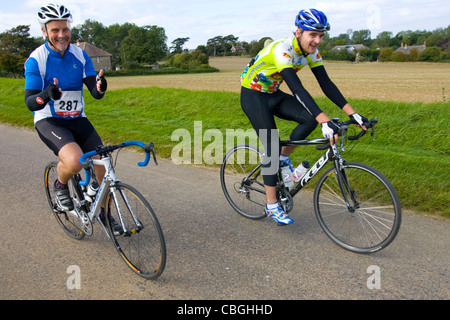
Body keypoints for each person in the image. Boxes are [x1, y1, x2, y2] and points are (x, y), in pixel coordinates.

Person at [240, 9, 368, 225]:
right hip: (253, 96)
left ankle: (283, 158)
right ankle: (272, 205)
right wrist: (324, 119)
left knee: (308, 118)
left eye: (321, 36)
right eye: (313, 35)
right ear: (298, 32)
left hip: (273, 93)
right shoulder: (282, 49)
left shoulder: (312, 52)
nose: (317, 41)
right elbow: (297, 88)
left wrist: (353, 114)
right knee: (271, 145)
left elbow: (326, 84)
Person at [24, 3, 121, 232]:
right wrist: (46, 95)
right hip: (50, 120)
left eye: (65, 29)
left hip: (77, 118)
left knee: (102, 166)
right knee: (76, 161)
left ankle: (103, 214)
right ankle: (60, 184)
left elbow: (95, 93)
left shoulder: (80, 55)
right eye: (55, 30)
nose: (61, 35)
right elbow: (30, 101)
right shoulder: (36, 59)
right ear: (44, 31)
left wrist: (100, 87)